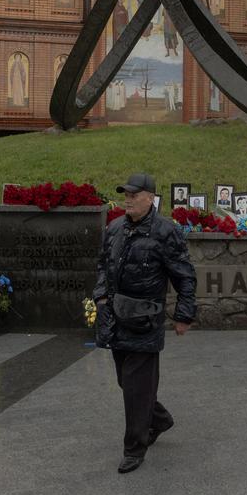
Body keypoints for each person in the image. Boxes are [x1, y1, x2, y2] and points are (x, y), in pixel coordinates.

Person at [94, 172, 197, 474]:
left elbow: (185, 275)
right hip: (115, 317)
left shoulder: (167, 231)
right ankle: (160, 419)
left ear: (150, 198)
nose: (127, 199)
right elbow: (102, 265)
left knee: (137, 387)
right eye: (125, 194)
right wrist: (100, 296)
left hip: (144, 320)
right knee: (126, 382)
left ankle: (134, 449)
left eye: (134, 195)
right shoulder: (114, 228)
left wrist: (184, 314)